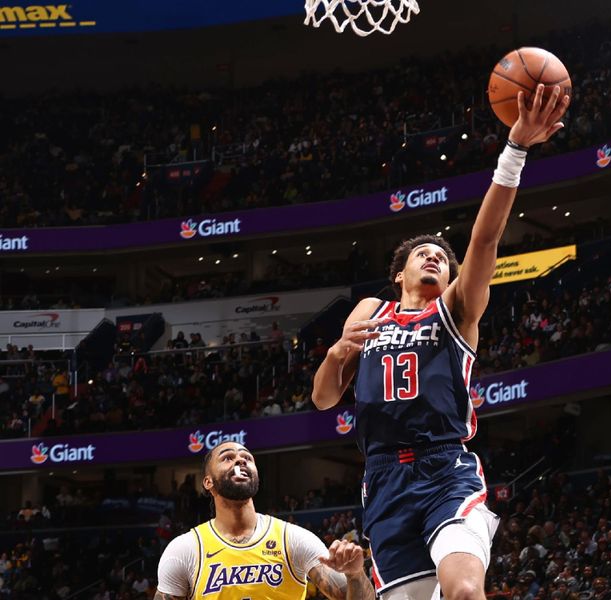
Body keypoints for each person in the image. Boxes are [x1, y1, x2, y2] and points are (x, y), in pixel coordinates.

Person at [312, 85, 569, 600]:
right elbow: (322, 398)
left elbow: (485, 240)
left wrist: (514, 149)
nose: (433, 258)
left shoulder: (454, 311)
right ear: (398, 271)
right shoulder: (370, 311)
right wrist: (338, 351)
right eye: (421, 254)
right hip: (383, 481)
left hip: (444, 469)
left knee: (466, 593)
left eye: (440, 257)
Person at [155, 441, 374, 600]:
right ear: (208, 482)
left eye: (247, 458)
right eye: (227, 457)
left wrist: (355, 574)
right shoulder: (184, 549)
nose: (240, 459)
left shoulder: (293, 539)